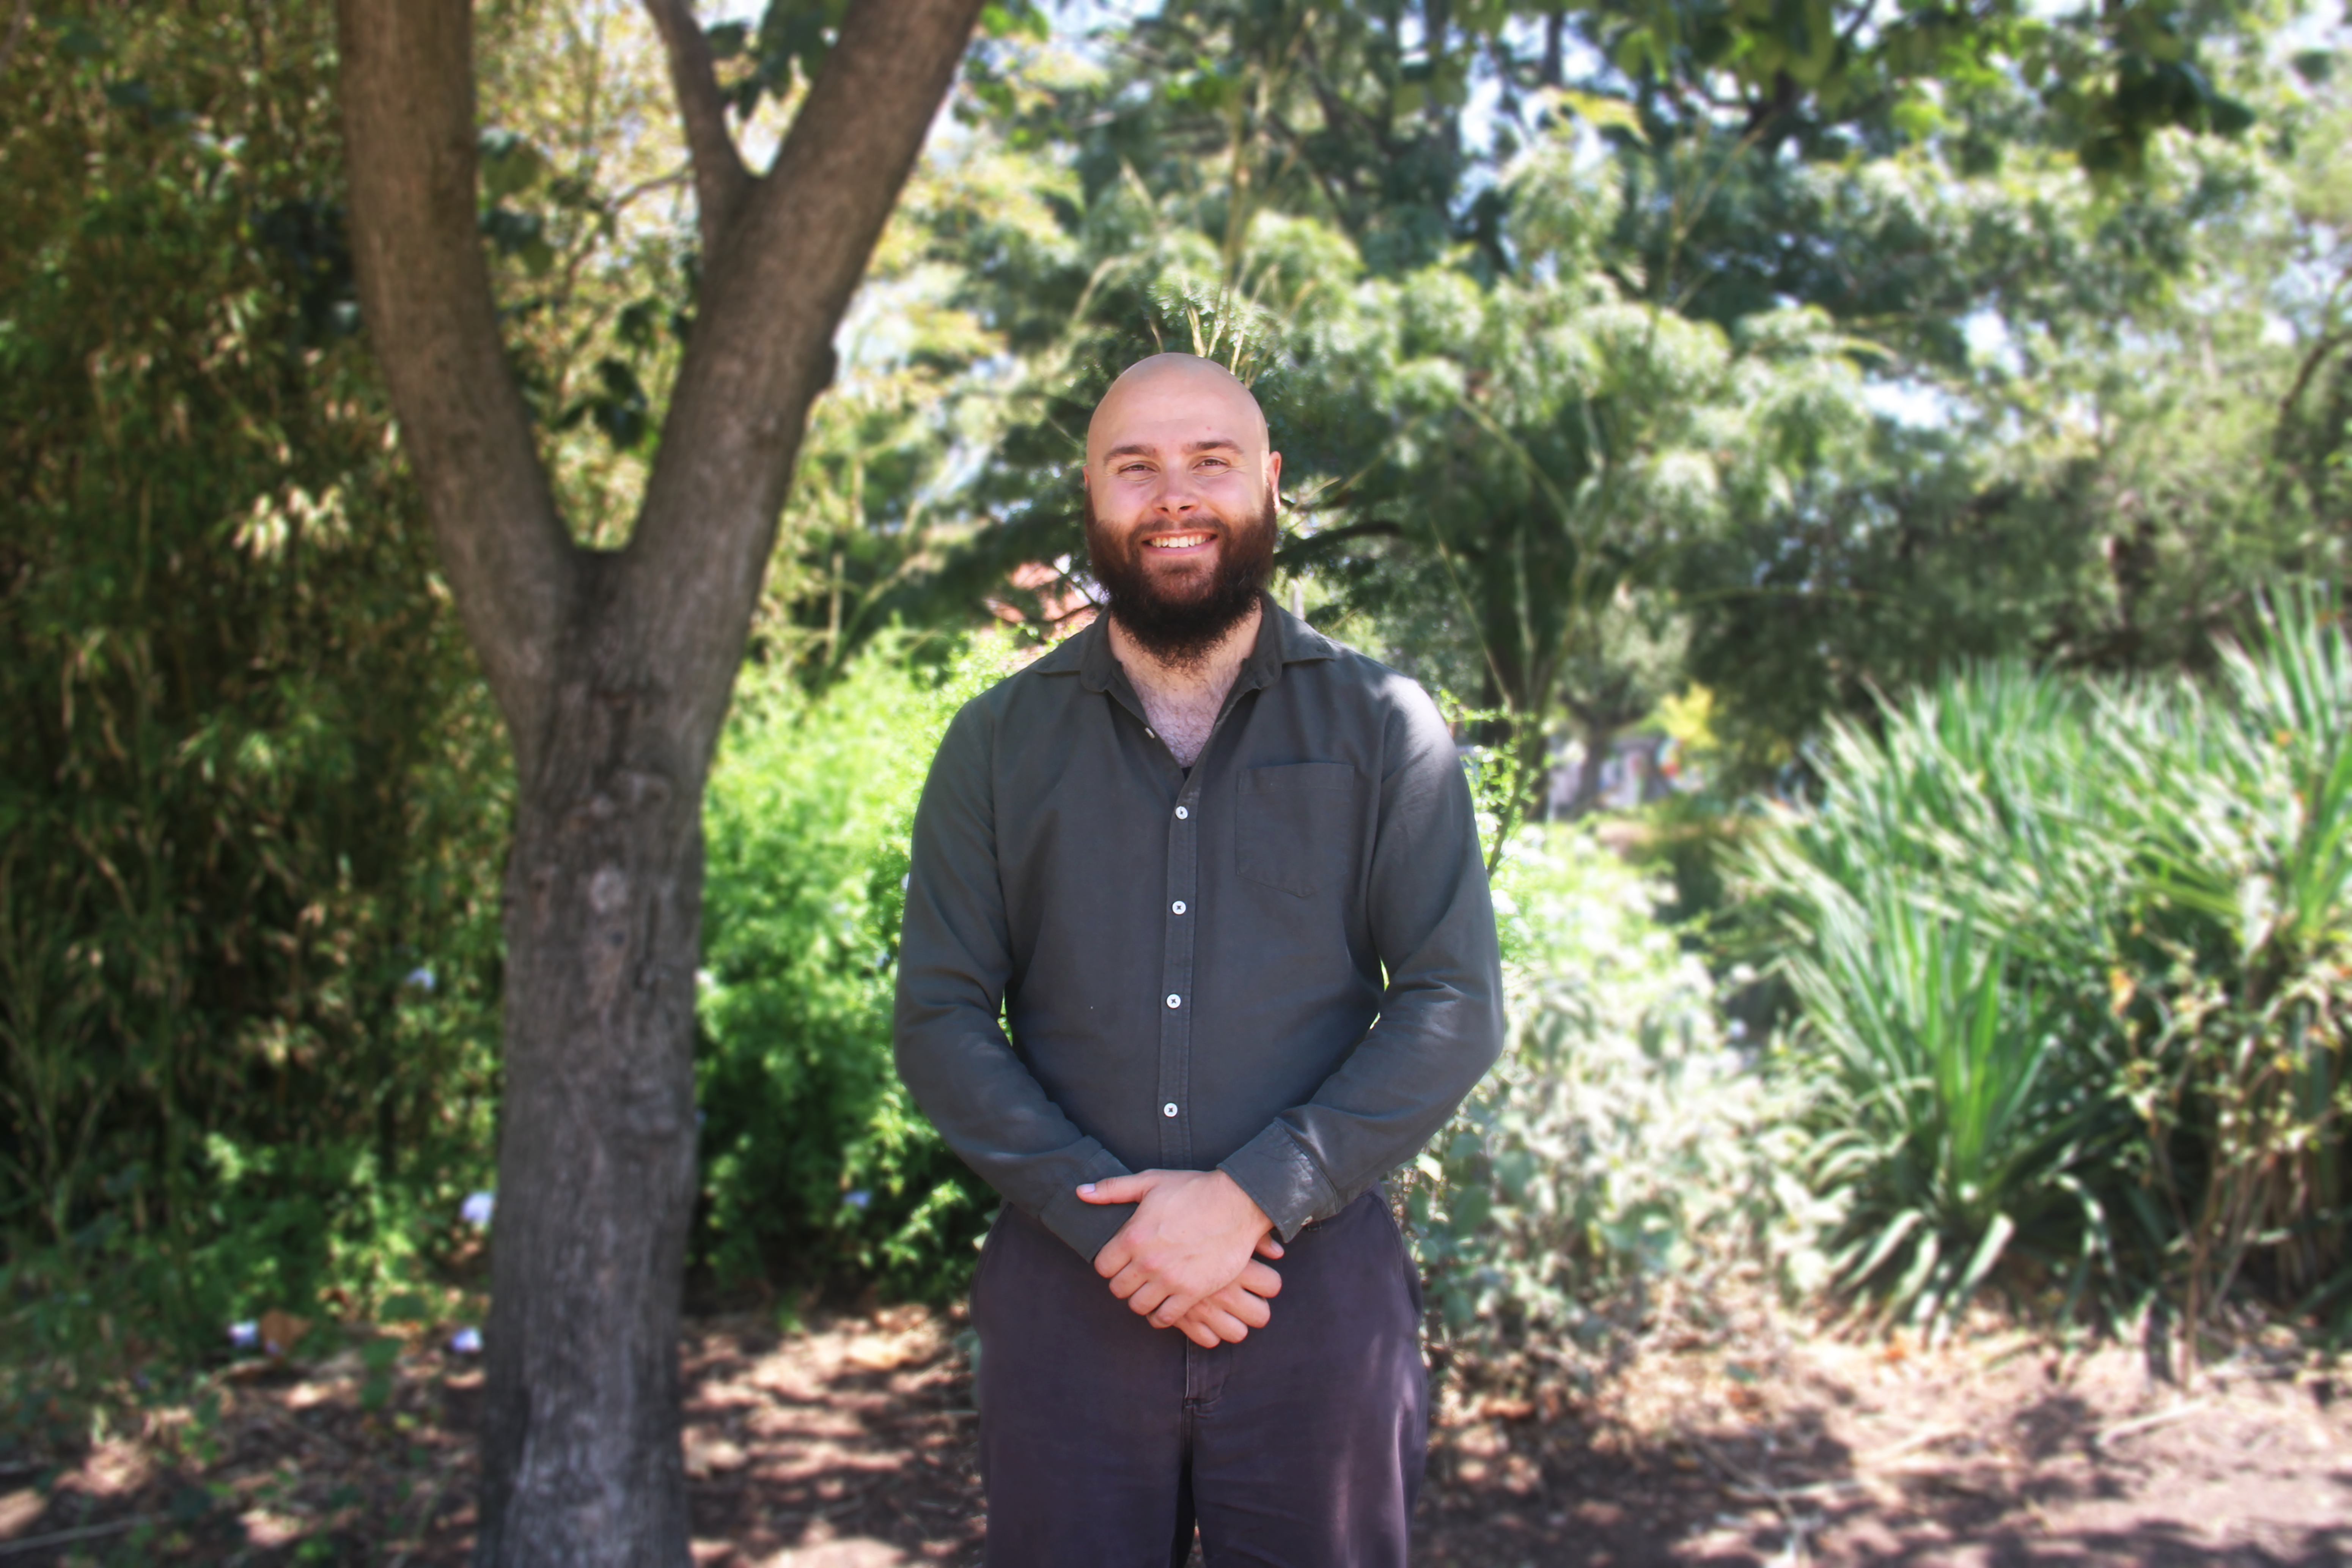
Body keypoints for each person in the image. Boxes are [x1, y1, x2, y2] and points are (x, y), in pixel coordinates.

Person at [893, 352, 1505, 1566]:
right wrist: (1111, 1225)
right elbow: (942, 1019)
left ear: (1271, 487)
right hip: (1067, 1307)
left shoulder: (1386, 729)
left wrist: (1252, 1197)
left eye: (1211, 463)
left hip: (1314, 1304)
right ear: (1092, 500)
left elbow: (1453, 1001)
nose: (1174, 495)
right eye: (1136, 468)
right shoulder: (996, 746)